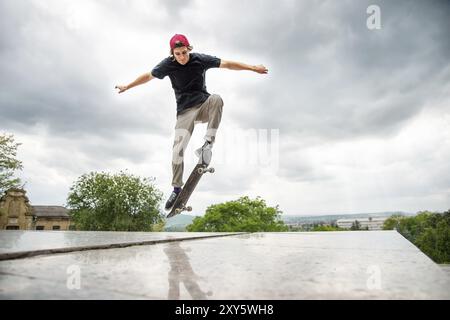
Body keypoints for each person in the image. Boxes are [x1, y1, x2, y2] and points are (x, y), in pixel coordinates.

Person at [115, 34, 268, 210]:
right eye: (178, 54)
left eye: (184, 52)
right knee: (177, 150)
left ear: (189, 49)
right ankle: (176, 188)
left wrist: (253, 68)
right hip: (184, 113)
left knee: (217, 98)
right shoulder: (167, 64)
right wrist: (127, 86)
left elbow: (227, 64)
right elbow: (148, 76)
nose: (182, 57)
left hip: (204, 106)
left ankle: (208, 144)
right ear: (172, 53)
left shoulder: (199, 59)